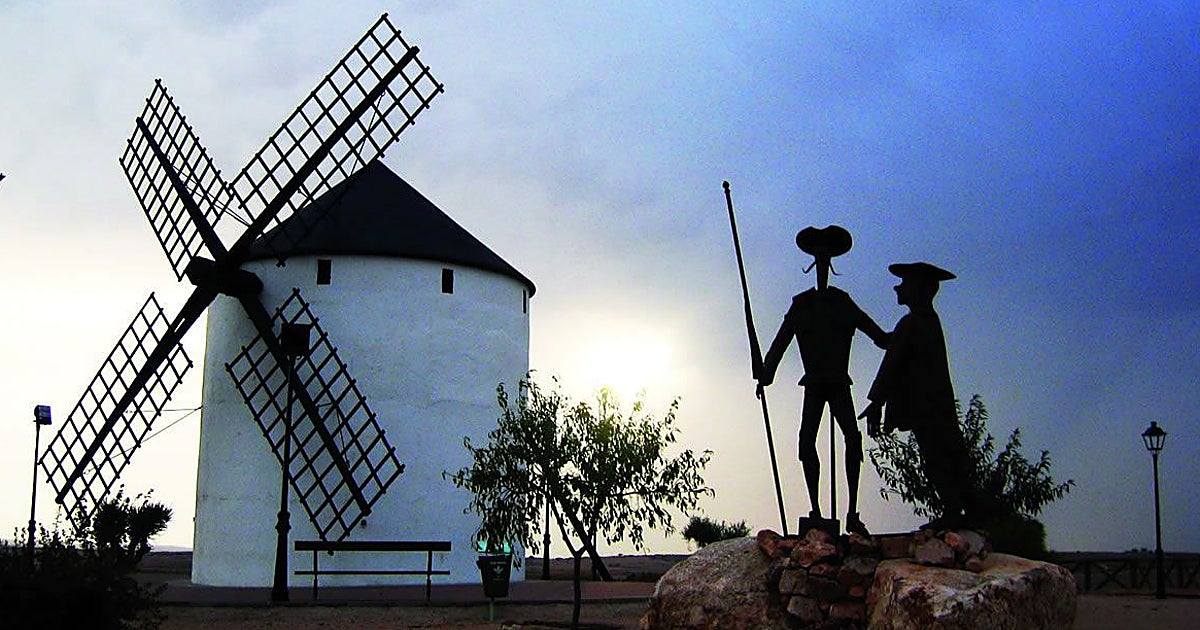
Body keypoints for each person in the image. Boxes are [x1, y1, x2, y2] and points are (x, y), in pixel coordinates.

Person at [758, 226, 888, 536]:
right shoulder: (801, 305)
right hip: (814, 383)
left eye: (826, 253)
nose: (821, 260)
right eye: (818, 253)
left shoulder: (843, 303)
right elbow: (778, 346)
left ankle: (852, 512)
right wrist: (766, 373)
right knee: (806, 443)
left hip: (840, 382)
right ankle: (815, 509)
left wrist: (907, 333)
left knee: (852, 440)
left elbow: (880, 337)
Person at [858, 262, 976, 530]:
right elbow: (890, 343)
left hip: (929, 408)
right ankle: (959, 509)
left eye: (905, 283)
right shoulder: (924, 322)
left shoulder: (914, 323)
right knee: (943, 457)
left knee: (938, 458)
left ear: (919, 290)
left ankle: (955, 511)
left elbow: (892, 363)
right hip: (935, 406)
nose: (897, 287)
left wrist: (876, 402)